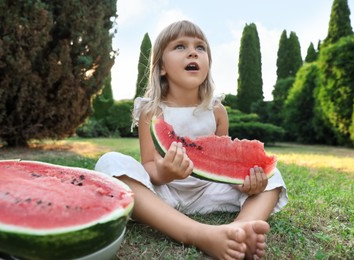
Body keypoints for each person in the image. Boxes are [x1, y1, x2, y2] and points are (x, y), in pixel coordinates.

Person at [95, 20, 288, 259]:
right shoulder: (152, 111)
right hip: (164, 194)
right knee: (110, 163)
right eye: (179, 46)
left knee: (272, 176)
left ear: (207, 63)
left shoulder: (217, 110)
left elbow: (224, 166)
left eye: (200, 47)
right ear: (162, 67)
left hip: (210, 192)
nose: (192, 51)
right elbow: (149, 166)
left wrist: (247, 183)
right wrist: (166, 172)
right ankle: (198, 233)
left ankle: (240, 228)